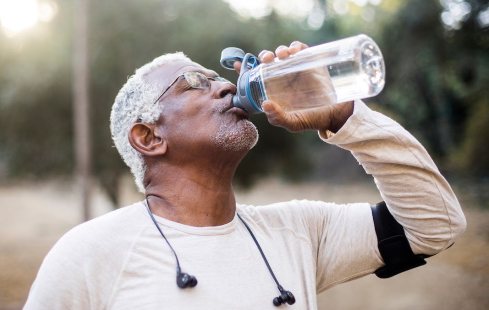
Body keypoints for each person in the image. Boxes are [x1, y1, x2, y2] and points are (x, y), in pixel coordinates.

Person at [24, 41, 466, 309]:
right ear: (149, 137)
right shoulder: (90, 254)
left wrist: (346, 118)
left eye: (218, 77)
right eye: (194, 83)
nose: (225, 86)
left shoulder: (298, 231)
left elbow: (435, 225)